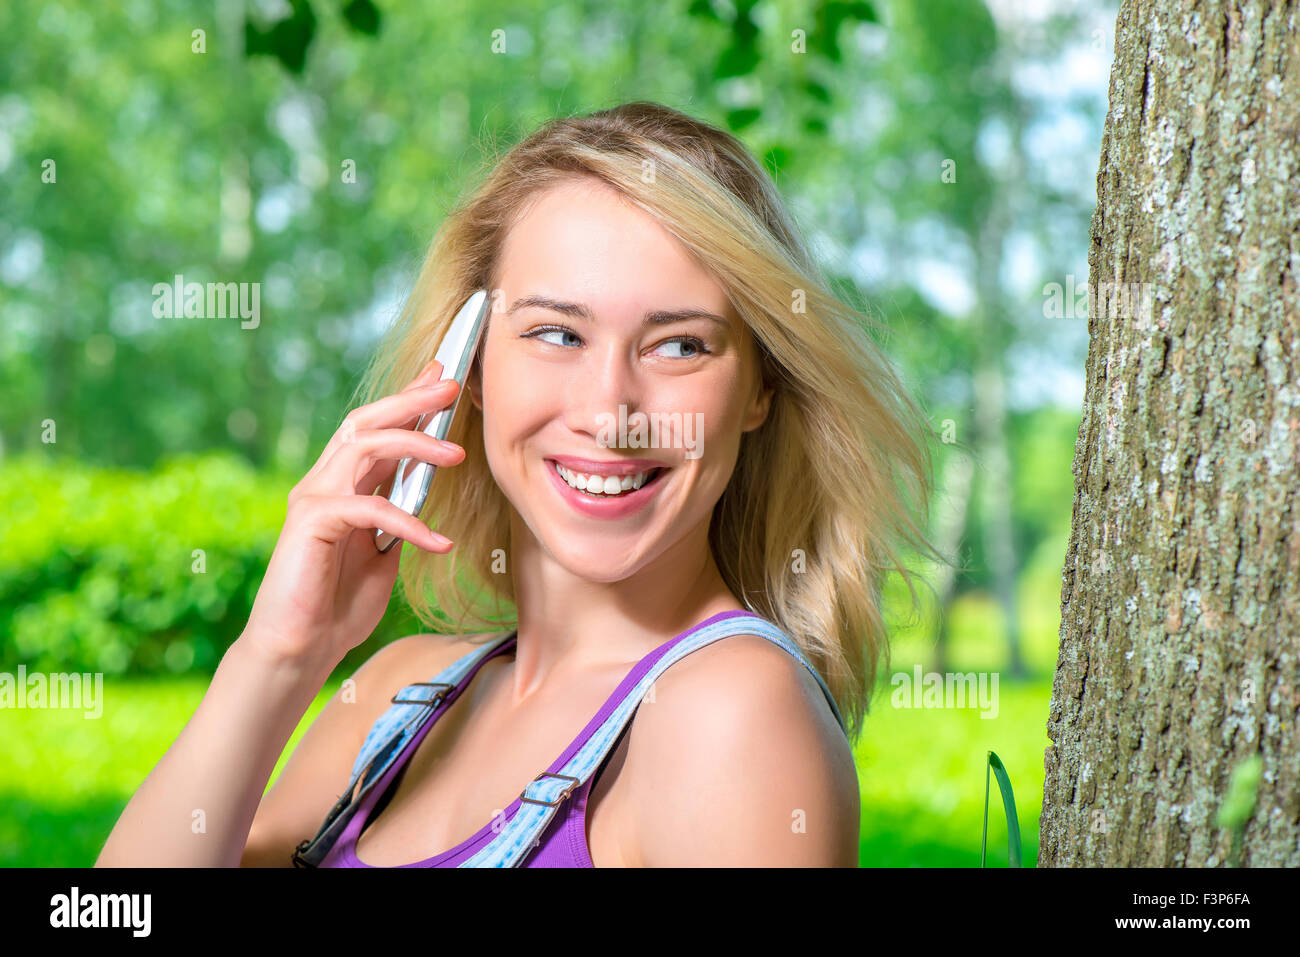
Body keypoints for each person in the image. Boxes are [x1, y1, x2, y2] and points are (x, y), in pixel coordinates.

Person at [96, 101, 935, 868]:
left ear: (759, 389)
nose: (611, 413)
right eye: (556, 333)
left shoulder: (732, 714)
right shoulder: (397, 690)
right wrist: (280, 654)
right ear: (472, 364)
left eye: (679, 345)